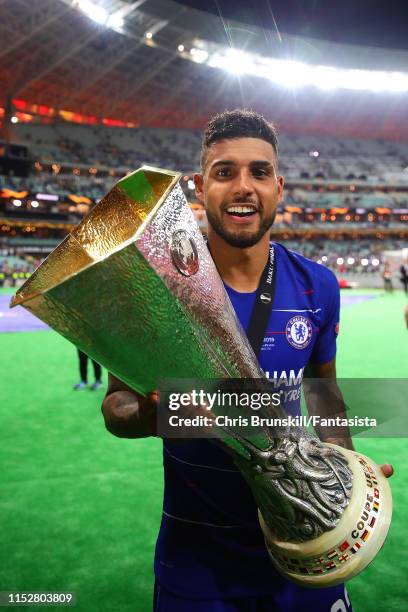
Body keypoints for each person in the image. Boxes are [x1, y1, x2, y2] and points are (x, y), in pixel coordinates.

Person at [102, 110, 393, 611]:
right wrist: (154, 414)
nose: (243, 186)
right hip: (197, 559)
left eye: (259, 172)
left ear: (278, 187)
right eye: (224, 172)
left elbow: (324, 392)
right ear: (200, 186)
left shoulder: (317, 286)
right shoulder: (157, 289)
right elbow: (115, 409)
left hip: (307, 536)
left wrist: (348, 463)